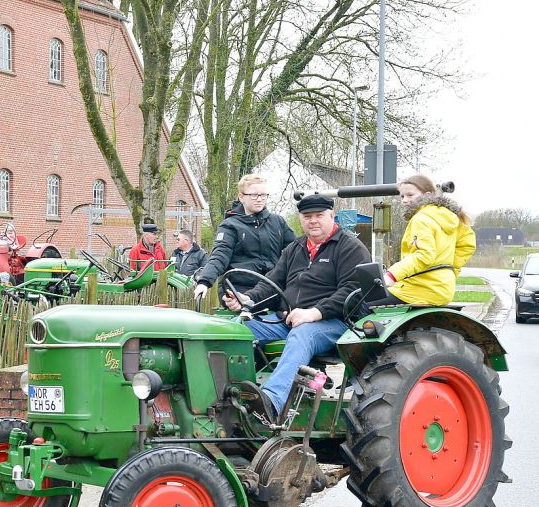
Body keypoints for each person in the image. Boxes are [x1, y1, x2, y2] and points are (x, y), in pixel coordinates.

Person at [208, 194, 370, 421]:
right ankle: (219, 398)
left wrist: (314, 313)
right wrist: (247, 299)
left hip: (335, 323)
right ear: (301, 220)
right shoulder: (295, 248)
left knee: (301, 334)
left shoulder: (350, 247)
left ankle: (270, 402)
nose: (313, 221)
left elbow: (353, 291)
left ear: (332, 216)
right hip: (288, 319)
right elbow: (272, 284)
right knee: (236, 329)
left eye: (319, 216)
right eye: (307, 216)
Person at [377, 174, 477, 306]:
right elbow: (467, 245)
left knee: (361, 303)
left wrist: (392, 275)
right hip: (443, 289)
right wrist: (449, 272)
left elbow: (423, 255)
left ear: (428, 195)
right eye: (402, 196)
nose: (404, 200)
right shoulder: (450, 217)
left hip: (419, 288)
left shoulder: (421, 219)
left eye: (410, 195)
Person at [194, 174, 296, 296]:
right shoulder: (230, 226)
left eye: (263, 195)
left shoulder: (278, 222)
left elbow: (297, 250)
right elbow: (220, 256)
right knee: (242, 304)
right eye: (254, 195)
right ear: (242, 197)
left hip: (272, 287)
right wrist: (204, 281)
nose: (259, 199)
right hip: (238, 287)